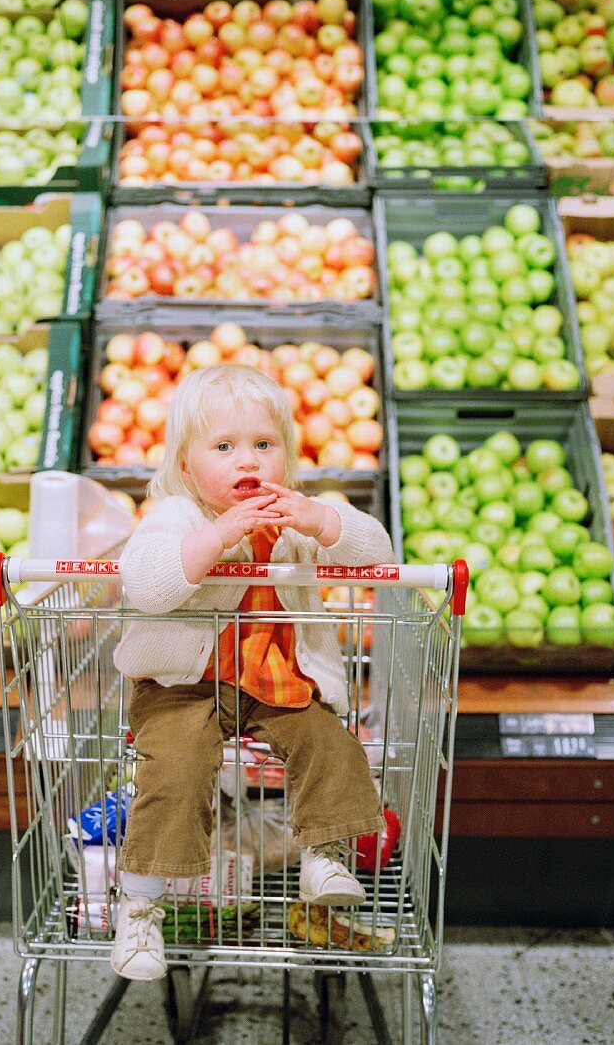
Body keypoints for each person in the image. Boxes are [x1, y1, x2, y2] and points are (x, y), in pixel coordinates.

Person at [108, 362, 394, 981]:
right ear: (186, 467)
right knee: (176, 768)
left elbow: (378, 556)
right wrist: (216, 536)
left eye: (264, 445)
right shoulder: (175, 516)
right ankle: (139, 906)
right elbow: (149, 584)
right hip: (183, 687)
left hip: (275, 679)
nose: (248, 462)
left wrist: (323, 522)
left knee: (331, 744)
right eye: (225, 447)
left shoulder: (296, 520)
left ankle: (325, 855)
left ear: (286, 458)